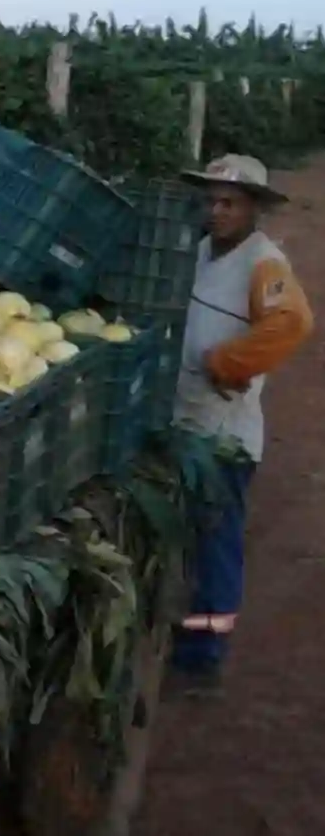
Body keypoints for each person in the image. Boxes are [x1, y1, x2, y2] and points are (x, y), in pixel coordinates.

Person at [167, 154, 313, 698]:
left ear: (254, 208)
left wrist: (226, 364)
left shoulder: (262, 262)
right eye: (210, 201)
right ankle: (188, 630)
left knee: (217, 539)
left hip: (224, 434)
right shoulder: (203, 251)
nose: (217, 211)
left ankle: (205, 653)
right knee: (192, 533)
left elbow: (293, 323)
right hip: (189, 421)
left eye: (229, 202)